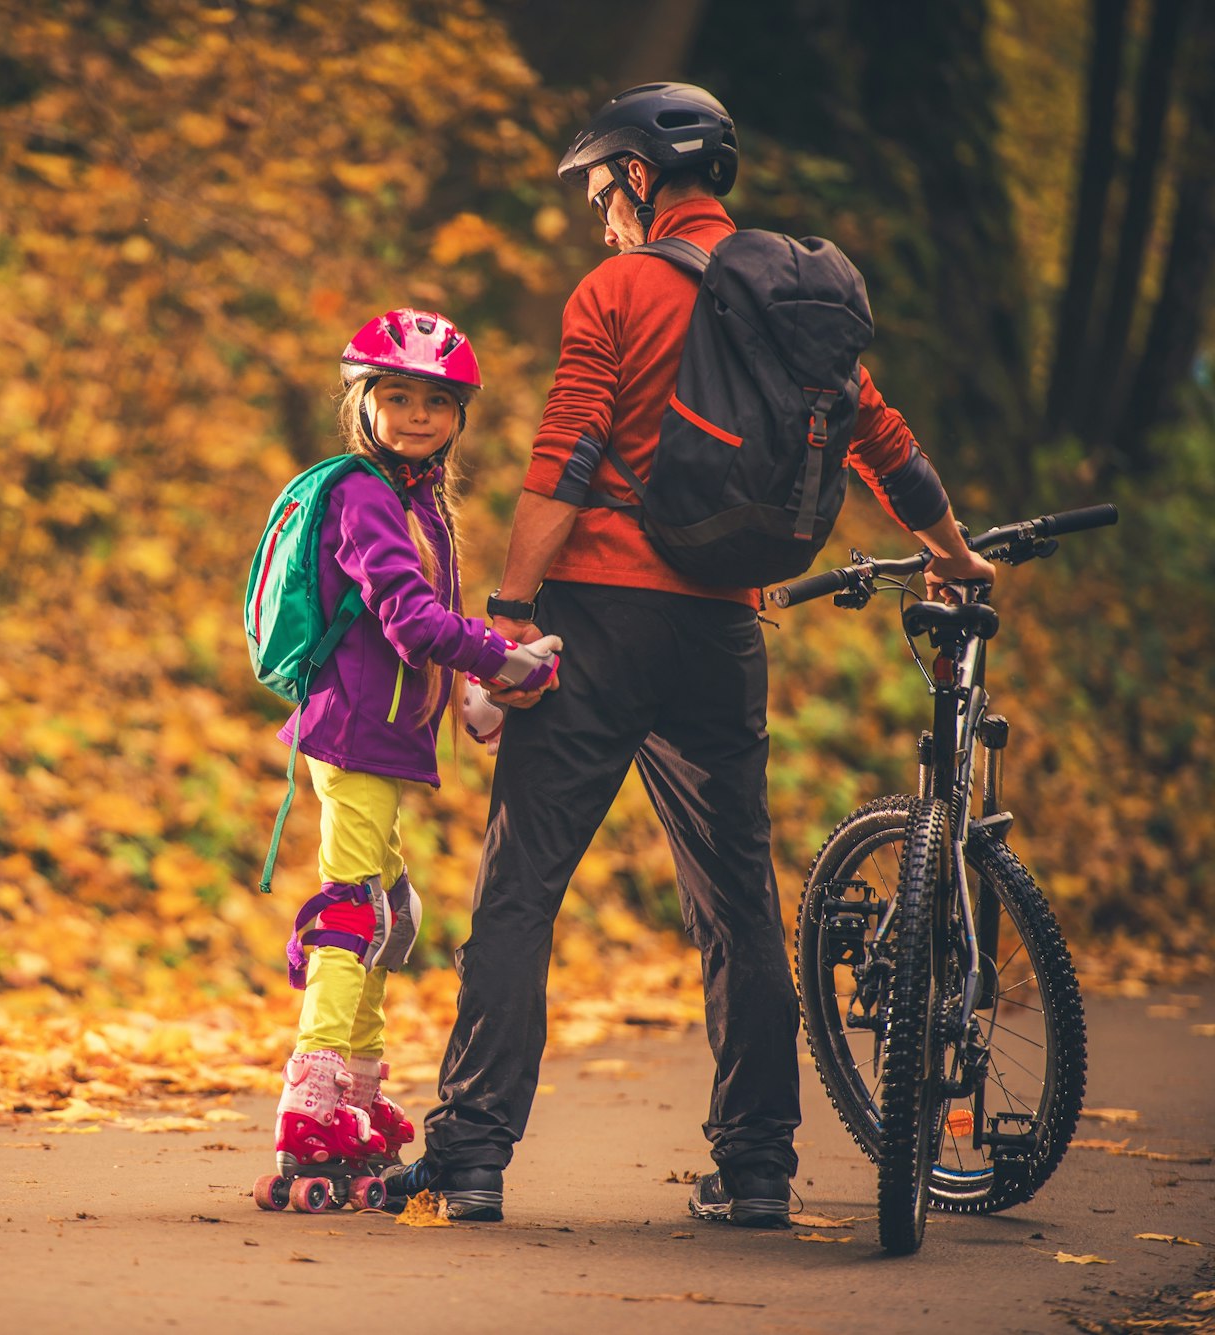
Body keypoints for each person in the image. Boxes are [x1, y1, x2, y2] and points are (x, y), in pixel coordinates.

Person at [384, 83, 997, 1226]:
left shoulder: (617, 288)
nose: (598, 217)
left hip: (597, 619)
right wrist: (950, 555)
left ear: (634, 179)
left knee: (520, 890)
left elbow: (562, 456)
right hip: (721, 628)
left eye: (599, 190)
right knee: (734, 904)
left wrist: (510, 611)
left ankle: (470, 1157)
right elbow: (879, 438)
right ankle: (757, 1165)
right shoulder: (792, 292)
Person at [266, 310, 561, 1187]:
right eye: (397, 397)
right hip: (353, 731)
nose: (419, 414)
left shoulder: (418, 498)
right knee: (351, 912)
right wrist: (498, 655)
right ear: (363, 405)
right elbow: (406, 615)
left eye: (436, 400)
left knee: (388, 912)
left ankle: (355, 1085)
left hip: (384, 734)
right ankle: (311, 1096)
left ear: (459, 414)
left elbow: (422, 628)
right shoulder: (363, 493)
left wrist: (471, 686)